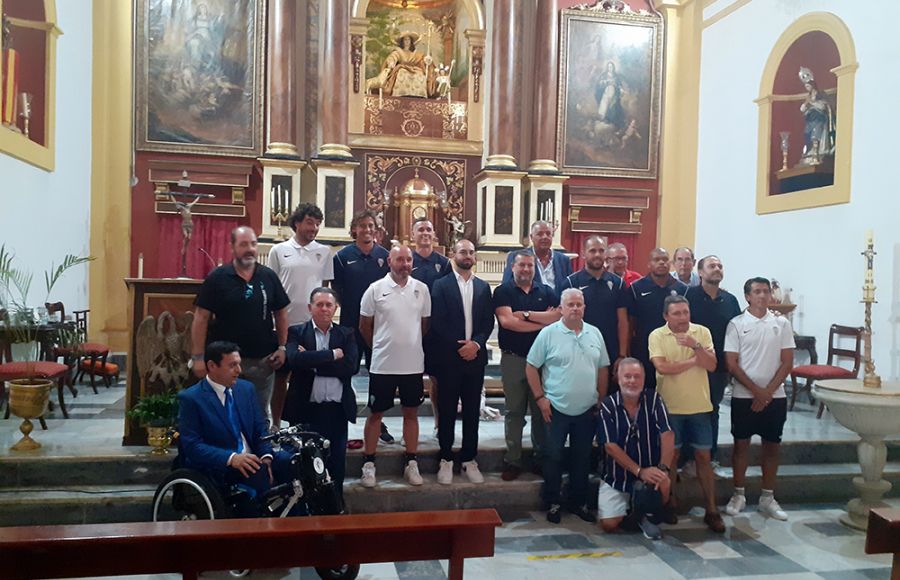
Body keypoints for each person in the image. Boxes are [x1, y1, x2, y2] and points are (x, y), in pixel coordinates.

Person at [190, 226, 290, 420]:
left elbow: (281, 312)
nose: (250, 249)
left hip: (261, 361)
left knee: (258, 415)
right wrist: (197, 357)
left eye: (253, 244)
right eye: (243, 244)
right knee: (224, 414)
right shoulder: (217, 278)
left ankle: (258, 450)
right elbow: (201, 318)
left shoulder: (268, 276)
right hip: (224, 362)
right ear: (232, 247)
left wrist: (282, 347)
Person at [527, 288, 609, 524]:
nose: (575, 308)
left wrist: (601, 398)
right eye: (570, 304)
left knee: (582, 458)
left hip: (587, 408)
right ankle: (553, 501)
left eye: (579, 304)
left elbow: (603, 367)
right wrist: (541, 398)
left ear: (584, 307)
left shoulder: (595, 333)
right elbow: (531, 366)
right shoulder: (548, 333)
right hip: (556, 408)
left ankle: (578, 502)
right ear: (561, 308)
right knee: (553, 456)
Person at [178, 341, 291, 506]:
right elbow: (192, 446)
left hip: (254, 457)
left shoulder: (246, 389)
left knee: (292, 463)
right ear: (212, 366)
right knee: (257, 473)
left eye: (239, 364)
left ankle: (297, 523)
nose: (239, 370)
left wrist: (266, 455)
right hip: (221, 465)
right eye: (232, 365)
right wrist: (232, 458)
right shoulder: (192, 398)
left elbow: (259, 428)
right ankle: (264, 524)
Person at [649, 295, 724, 533]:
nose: (682, 318)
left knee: (704, 458)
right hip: (670, 407)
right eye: (677, 313)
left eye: (685, 312)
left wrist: (695, 346)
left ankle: (712, 510)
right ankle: (669, 501)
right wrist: (695, 362)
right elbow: (663, 367)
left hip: (699, 406)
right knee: (671, 458)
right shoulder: (657, 335)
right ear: (666, 316)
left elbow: (712, 365)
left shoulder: (701, 333)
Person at [358, 245, 431, 487]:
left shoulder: (422, 290)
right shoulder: (375, 289)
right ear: (389, 261)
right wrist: (381, 346)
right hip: (383, 365)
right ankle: (369, 463)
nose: (405, 264)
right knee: (375, 414)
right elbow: (364, 326)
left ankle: (411, 462)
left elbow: (424, 326)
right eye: (400, 259)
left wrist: (408, 346)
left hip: (412, 365)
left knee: (411, 413)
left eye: (408, 260)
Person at [724, 277, 795, 521]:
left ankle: (767, 497)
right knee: (741, 445)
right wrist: (757, 391)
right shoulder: (736, 324)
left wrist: (767, 392)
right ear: (747, 296)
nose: (762, 296)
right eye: (757, 292)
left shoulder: (781, 323)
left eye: (765, 291)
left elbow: (787, 362)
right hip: (745, 396)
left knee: (772, 446)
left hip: (775, 397)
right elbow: (731, 364)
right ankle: (739, 493)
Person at [282, 288, 358, 500]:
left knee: (336, 465)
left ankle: (335, 508)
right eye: (319, 304)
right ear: (310, 308)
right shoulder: (297, 332)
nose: (324, 309)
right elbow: (294, 360)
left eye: (329, 305)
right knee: (305, 465)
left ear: (336, 308)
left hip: (336, 411)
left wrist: (313, 363)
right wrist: (332, 355)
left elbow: (350, 367)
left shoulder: (346, 333)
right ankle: (307, 509)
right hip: (306, 411)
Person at [430, 239, 495, 484]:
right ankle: (445, 458)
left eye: (471, 252)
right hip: (449, 358)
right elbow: (438, 321)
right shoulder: (440, 285)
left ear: (474, 257)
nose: (467, 255)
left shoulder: (482, 286)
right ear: (453, 254)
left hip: (474, 358)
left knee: (471, 412)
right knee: (446, 411)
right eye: (462, 251)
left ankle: (469, 459)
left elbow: (487, 322)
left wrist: (475, 344)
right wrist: (460, 347)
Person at [493, 250, 560, 481]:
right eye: (521, 265)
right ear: (513, 267)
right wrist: (542, 321)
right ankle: (513, 459)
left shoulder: (547, 291)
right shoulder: (502, 291)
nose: (526, 270)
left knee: (542, 412)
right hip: (514, 359)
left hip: (542, 360)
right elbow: (508, 322)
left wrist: (527, 315)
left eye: (530, 266)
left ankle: (540, 458)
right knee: (514, 412)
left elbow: (558, 318)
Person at [267, 203, 334, 427]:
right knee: (280, 378)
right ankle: (275, 423)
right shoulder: (279, 251)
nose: (313, 228)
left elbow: (325, 289)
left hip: (310, 327)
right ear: (297, 223)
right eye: (309, 222)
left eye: (317, 224)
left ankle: (304, 424)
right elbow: (272, 286)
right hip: (285, 324)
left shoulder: (324, 252)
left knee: (306, 379)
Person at [331, 211, 394, 444]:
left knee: (377, 374)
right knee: (347, 372)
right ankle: (343, 415)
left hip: (378, 327)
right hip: (349, 326)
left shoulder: (385, 256)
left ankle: (378, 419)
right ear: (354, 229)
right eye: (362, 226)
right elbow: (336, 291)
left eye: (371, 226)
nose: (367, 230)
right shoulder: (341, 257)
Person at [597, 358, 674, 539]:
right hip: (618, 475)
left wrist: (663, 469)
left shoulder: (654, 399)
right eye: (627, 376)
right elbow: (610, 446)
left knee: (664, 482)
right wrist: (639, 471)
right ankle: (637, 514)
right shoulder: (608, 405)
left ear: (644, 379)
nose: (632, 381)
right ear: (618, 379)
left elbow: (667, 434)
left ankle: (648, 513)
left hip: (651, 471)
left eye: (637, 377)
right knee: (608, 524)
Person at [684, 255, 741, 475]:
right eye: (711, 266)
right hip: (692, 363)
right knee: (691, 410)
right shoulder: (688, 296)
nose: (717, 269)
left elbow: (737, 332)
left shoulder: (730, 300)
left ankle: (711, 457)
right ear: (700, 272)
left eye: (719, 266)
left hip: (719, 367)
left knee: (712, 410)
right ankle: (689, 459)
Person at [559, 235, 629, 382]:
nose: (597, 254)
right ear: (584, 253)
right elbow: (562, 320)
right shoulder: (570, 282)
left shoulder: (618, 284)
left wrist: (622, 355)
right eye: (592, 250)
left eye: (601, 250)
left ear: (606, 254)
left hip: (611, 350)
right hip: (578, 350)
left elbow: (623, 321)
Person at [409, 218, 452, 437]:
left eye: (429, 229)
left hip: (436, 330)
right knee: (411, 379)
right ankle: (411, 424)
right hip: (411, 328)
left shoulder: (444, 263)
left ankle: (438, 421)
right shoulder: (407, 260)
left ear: (434, 234)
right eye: (421, 230)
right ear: (412, 234)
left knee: (437, 379)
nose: (425, 233)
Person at [627, 248, 688, 390]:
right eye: (656, 259)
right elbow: (630, 322)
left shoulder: (683, 289)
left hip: (675, 350)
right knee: (646, 390)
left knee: (672, 391)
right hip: (643, 349)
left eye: (665, 259)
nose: (661, 262)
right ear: (649, 264)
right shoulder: (636, 288)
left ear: (670, 263)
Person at [501, 221, 572, 291]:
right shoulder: (517, 257)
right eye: (540, 234)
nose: (545, 237)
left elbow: (570, 288)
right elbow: (506, 288)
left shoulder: (563, 260)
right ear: (531, 237)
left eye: (548, 234)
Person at [366, 31, 436, 98]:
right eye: (405, 40)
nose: (407, 41)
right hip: (402, 68)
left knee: (419, 73)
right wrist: (391, 62)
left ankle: (418, 94)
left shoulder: (414, 53)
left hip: (413, 69)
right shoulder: (398, 51)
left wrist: (427, 60)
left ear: (411, 41)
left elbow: (421, 60)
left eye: (409, 40)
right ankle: (402, 93)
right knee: (402, 72)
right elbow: (392, 57)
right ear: (402, 41)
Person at [798, 67, 835, 164]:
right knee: (807, 135)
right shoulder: (808, 97)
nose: (807, 88)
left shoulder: (821, 94)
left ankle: (817, 154)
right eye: (806, 87)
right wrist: (807, 107)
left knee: (816, 135)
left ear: (812, 85)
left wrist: (813, 104)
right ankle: (810, 152)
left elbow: (824, 106)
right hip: (810, 120)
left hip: (820, 120)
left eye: (808, 86)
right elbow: (803, 110)